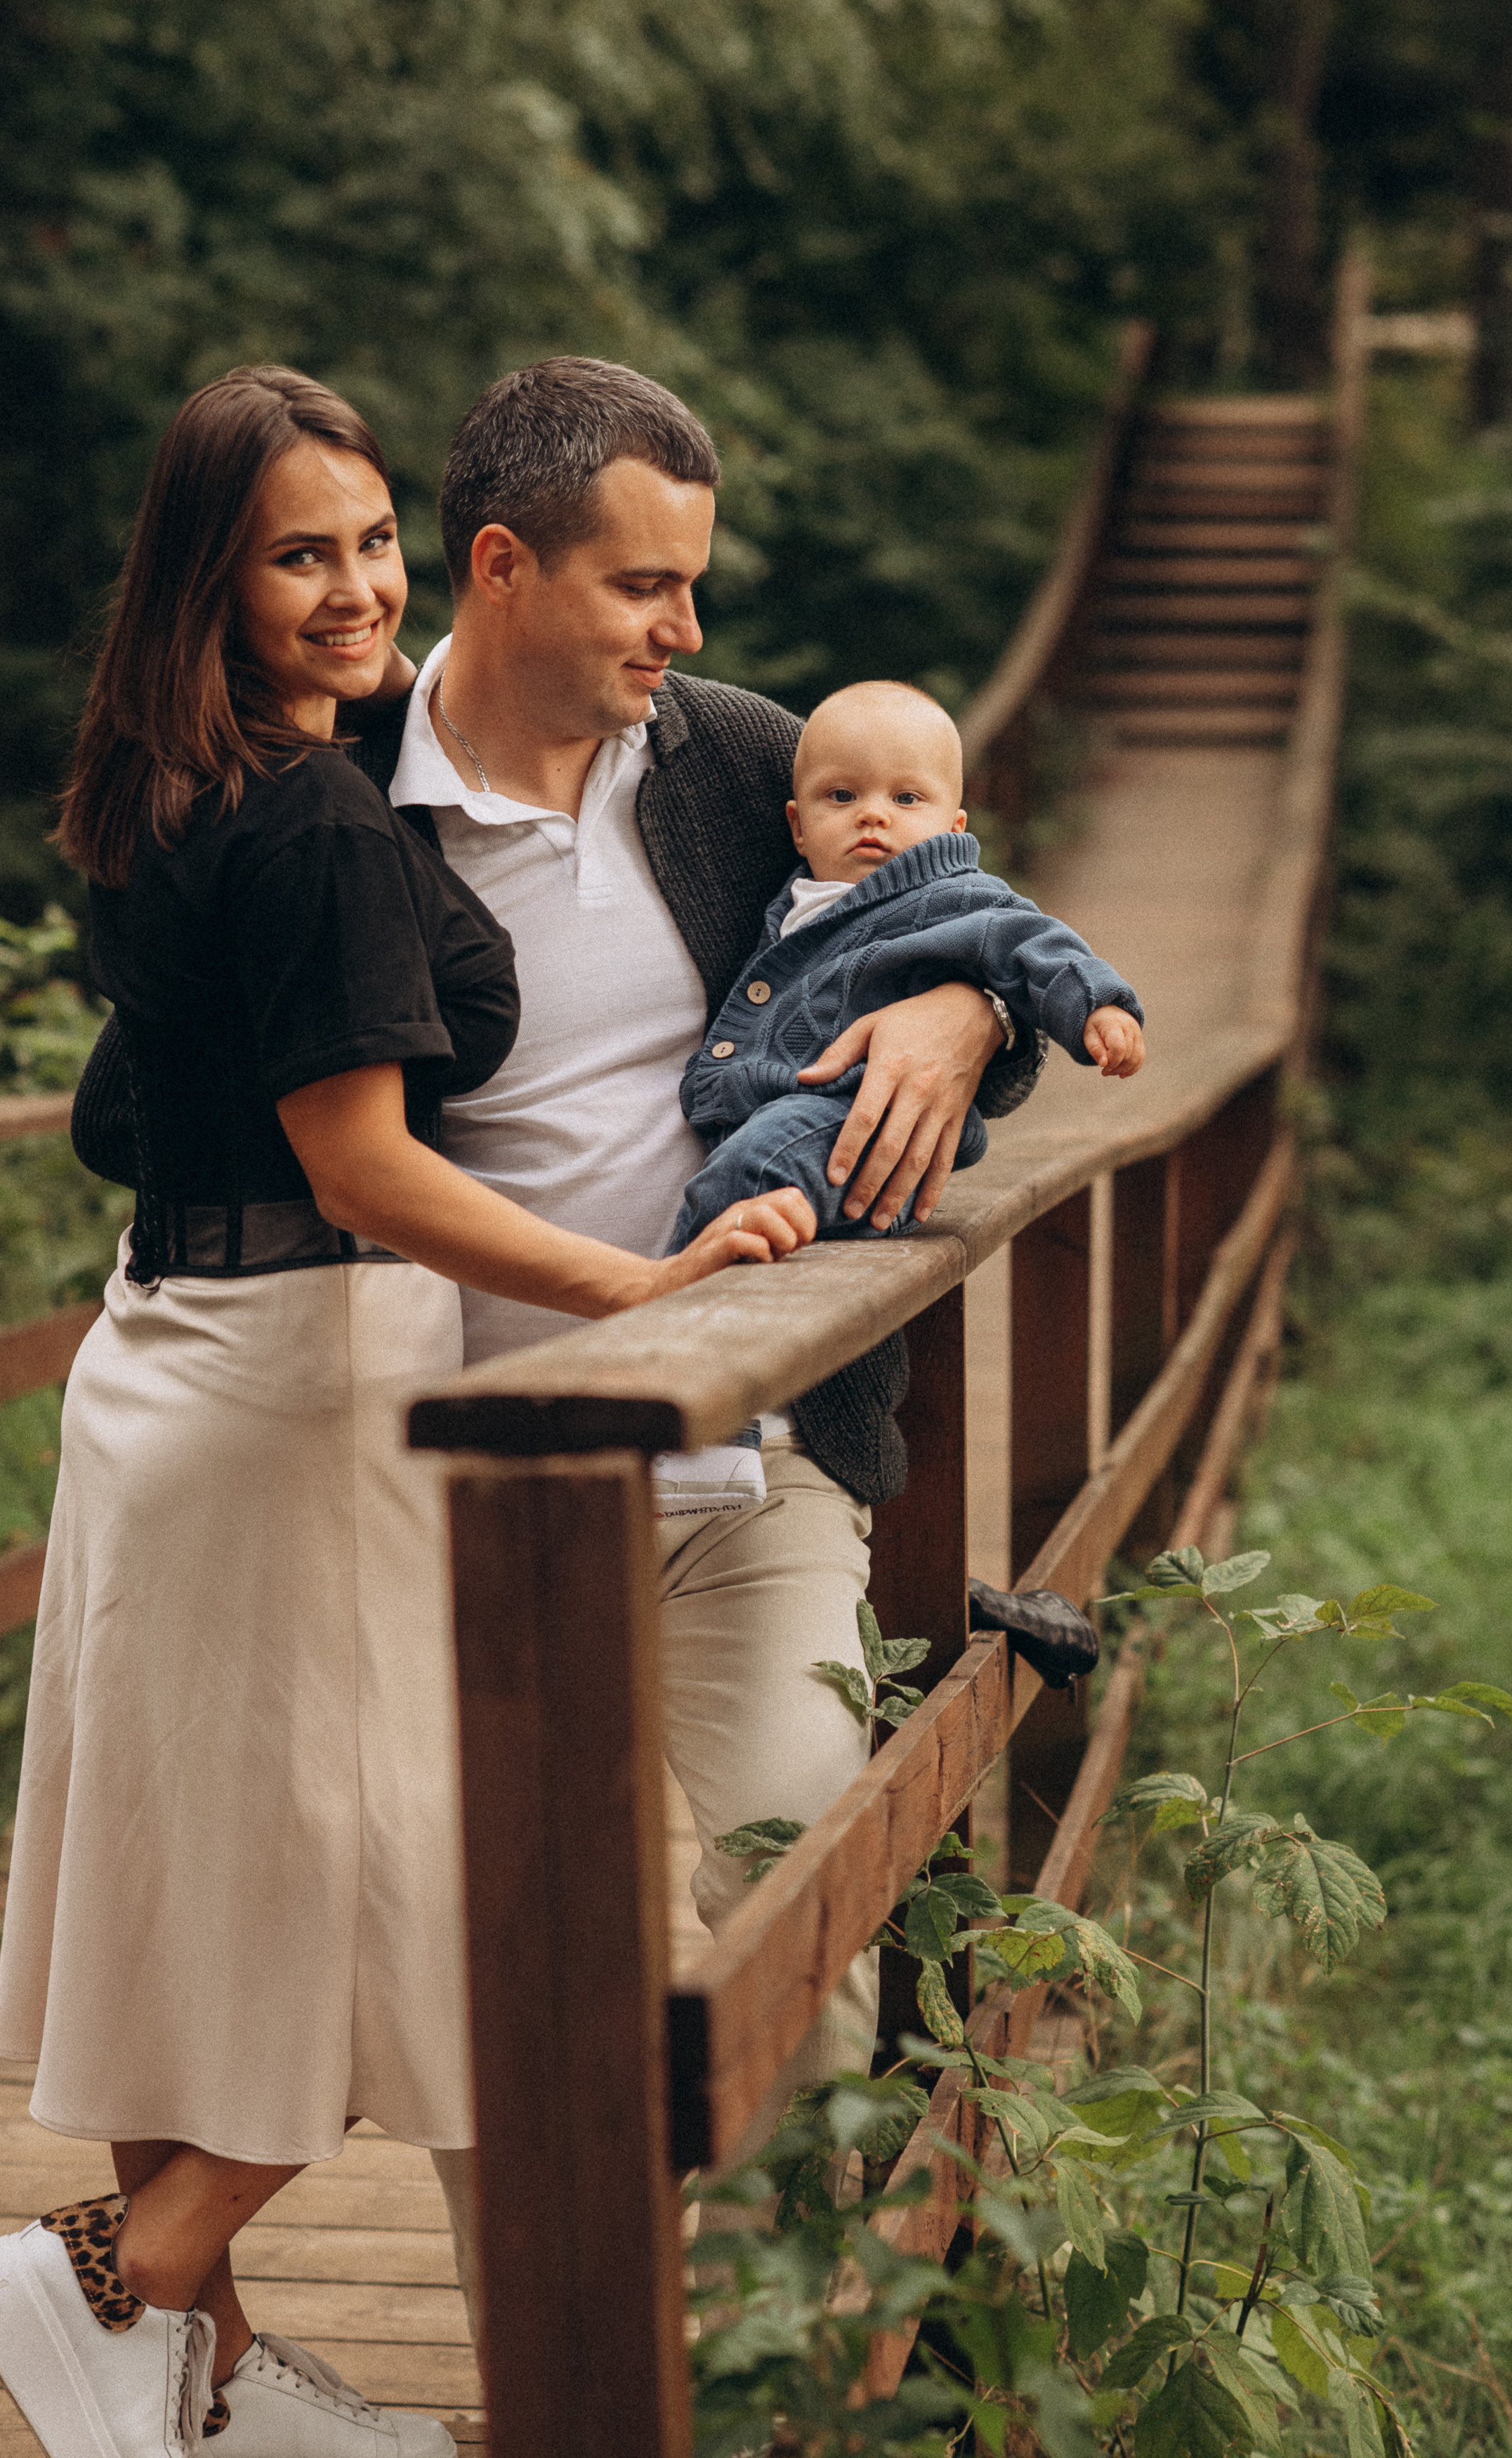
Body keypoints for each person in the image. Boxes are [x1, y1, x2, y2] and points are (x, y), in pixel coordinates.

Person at [0, 366, 811, 2458]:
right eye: (298, 553)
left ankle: (209, 2386)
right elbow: (360, 1161)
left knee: (202, 1889)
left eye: (369, 544)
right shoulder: (331, 816)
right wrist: (646, 1276)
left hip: (170, 1357)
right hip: (311, 1386)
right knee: (424, 1903)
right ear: (210, 580)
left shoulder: (164, 791)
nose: (354, 589)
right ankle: (126, 2271)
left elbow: (120, 1109)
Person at [338, 355, 1051, 2238]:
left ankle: (783, 2361)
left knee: (795, 1880)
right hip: (453, 1493)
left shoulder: (737, 754)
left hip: (753, 1451)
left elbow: (959, 898)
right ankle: (562, 2376)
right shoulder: (338, 800)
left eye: (693, 581)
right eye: (646, 584)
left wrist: (959, 1003)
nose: (689, 623)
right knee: (506, 1973)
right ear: (502, 566)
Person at [655, 676, 1145, 1510]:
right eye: (841, 796)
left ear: (954, 826)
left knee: (731, 1193)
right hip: (807, 1120)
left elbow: (1029, 945)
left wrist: (1097, 1007)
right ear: (796, 823)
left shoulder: (949, 897)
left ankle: (704, 1433)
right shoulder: (798, 898)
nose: (872, 815)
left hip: (855, 1115)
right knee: (748, 1210)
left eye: (905, 797)